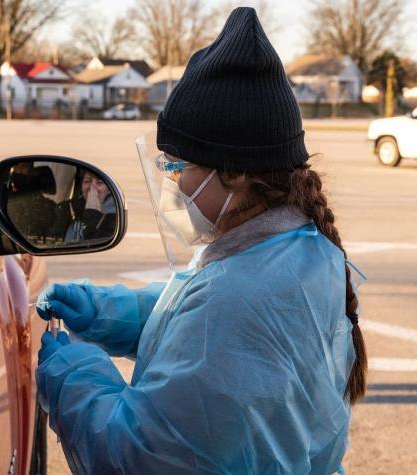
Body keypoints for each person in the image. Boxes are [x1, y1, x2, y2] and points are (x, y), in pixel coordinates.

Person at [35, 8, 366, 475]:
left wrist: (73, 375)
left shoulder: (240, 299)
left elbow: (135, 458)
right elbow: (202, 332)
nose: (170, 181)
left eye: (177, 165)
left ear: (232, 171)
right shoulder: (291, 248)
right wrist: (110, 313)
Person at [56, 170, 116, 243]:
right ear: (81, 186)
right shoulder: (69, 209)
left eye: (99, 183)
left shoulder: (114, 216)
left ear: (108, 190)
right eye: (87, 181)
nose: (91, 188)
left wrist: (92, 214)